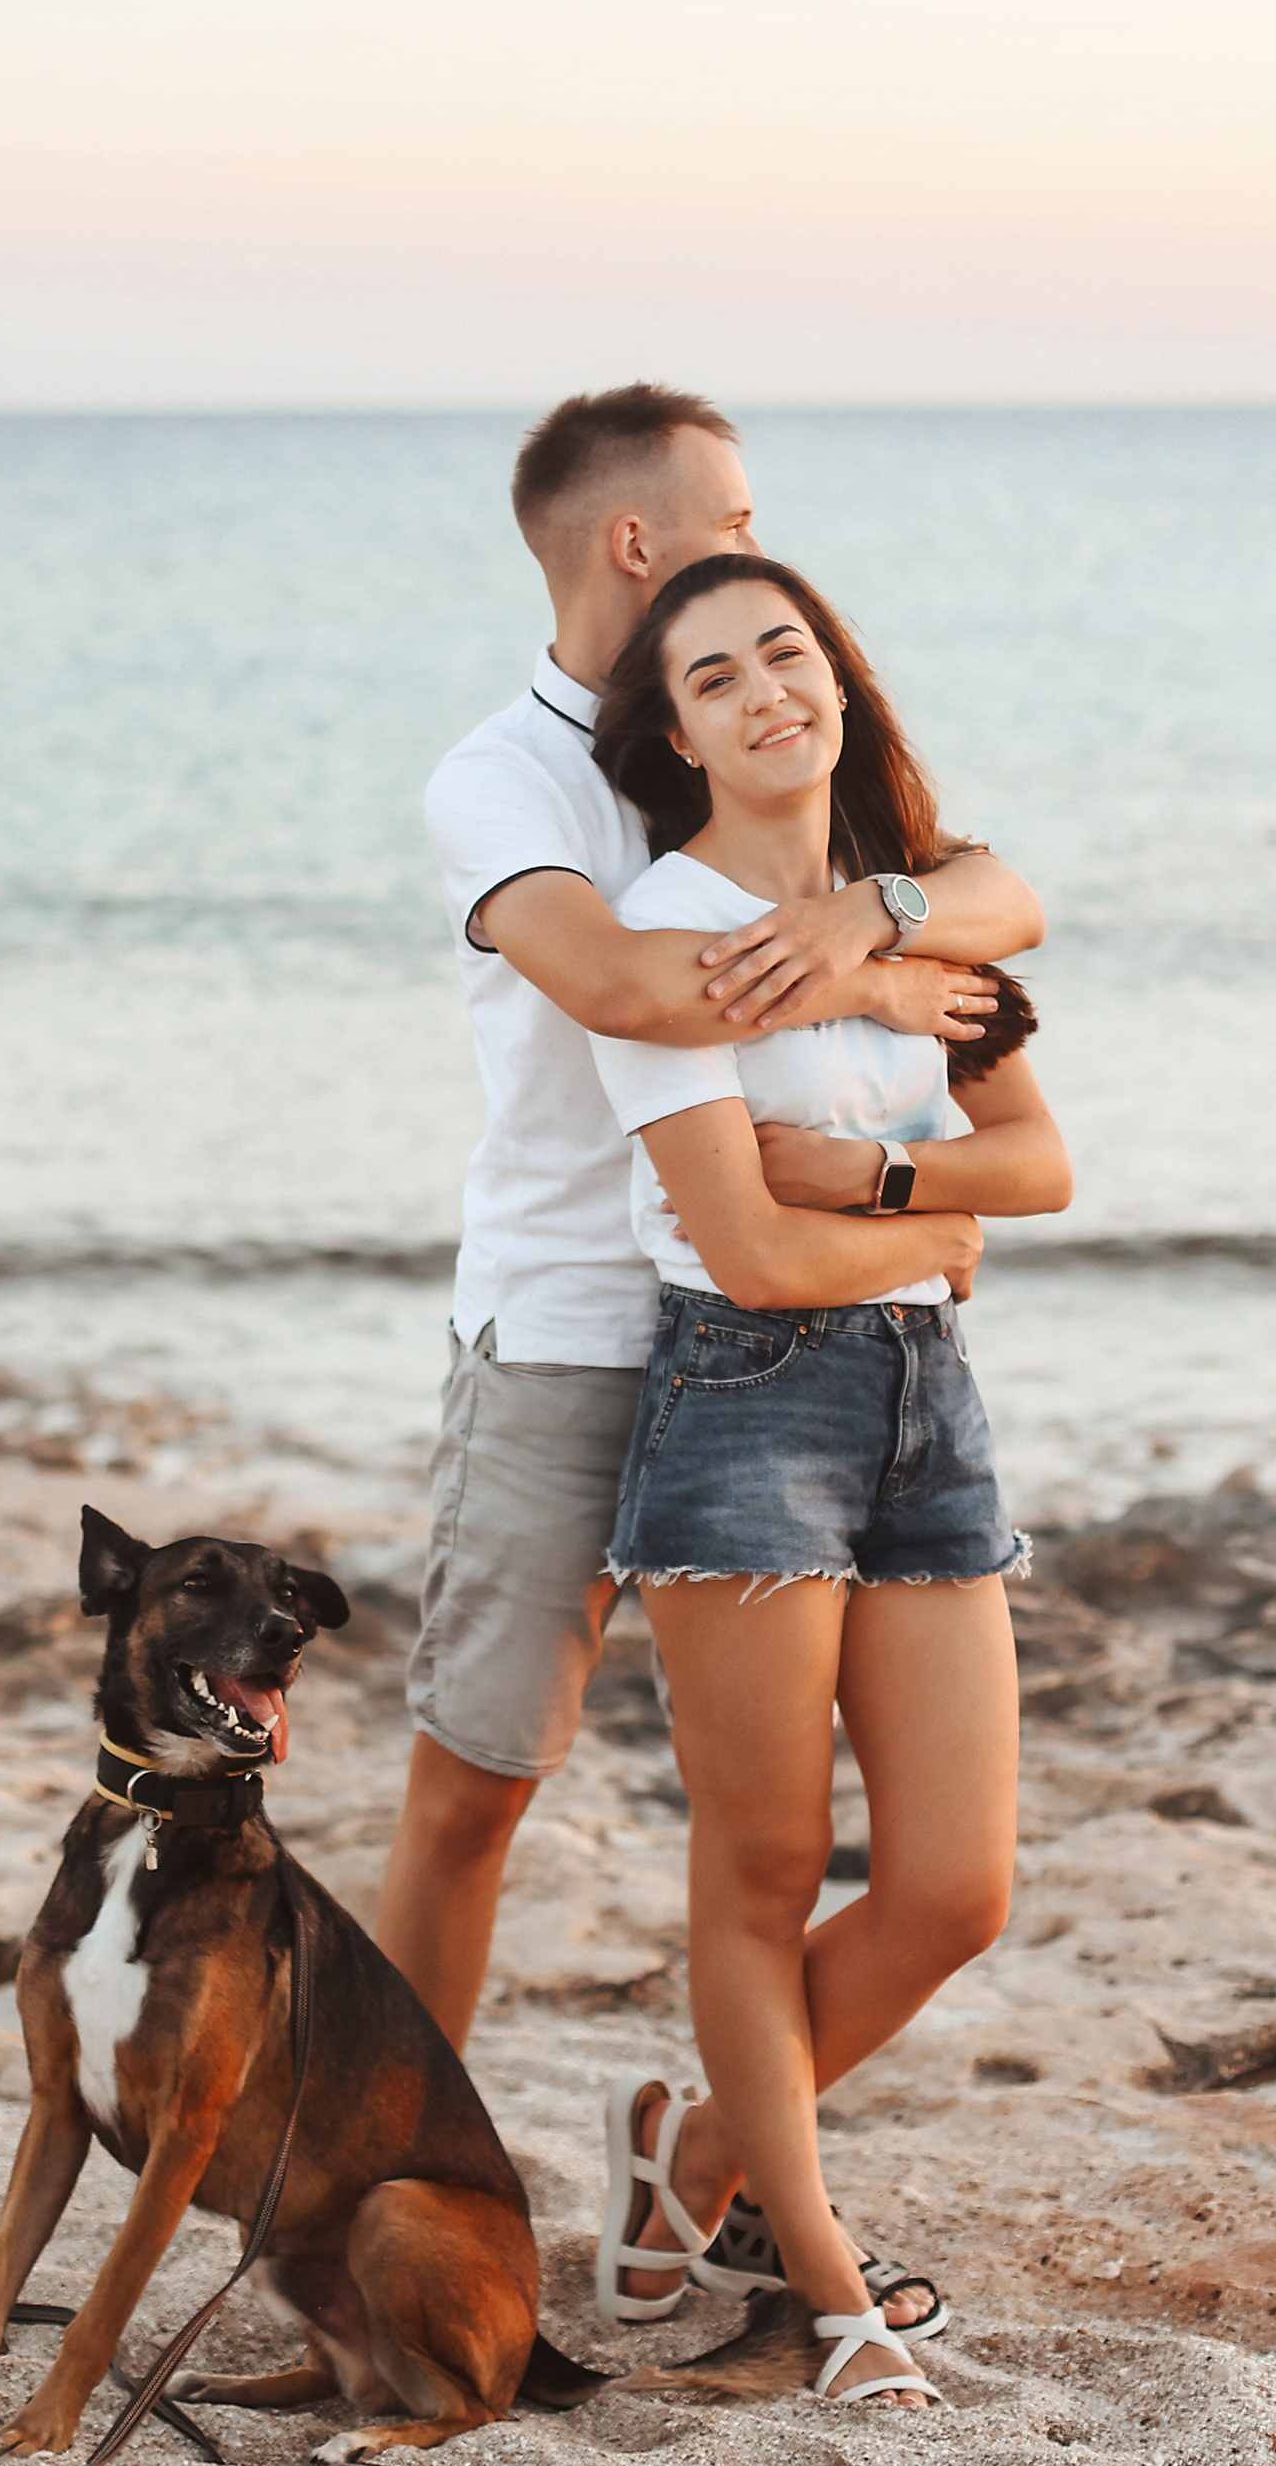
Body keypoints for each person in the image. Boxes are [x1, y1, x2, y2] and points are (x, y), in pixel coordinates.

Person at [378, 385, 1045, 2050]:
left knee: (790, 1855)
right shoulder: (501, 780)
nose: (760, 547)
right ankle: (371, 2196)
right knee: (478, 1792)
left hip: (778, 1350)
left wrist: (875, 909)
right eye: (734, 521)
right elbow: (614, 980)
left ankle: (716, 2173)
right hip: (570, 1334)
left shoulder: (758, 734)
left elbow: (1006, 897)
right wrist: (867, 964)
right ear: (636, 540)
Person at [581, 552, 1072, 2411]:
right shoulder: (670, 942)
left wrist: (873, 1187)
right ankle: (829, 2282)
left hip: (928, 1413)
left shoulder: (925, 921)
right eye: (715, 677)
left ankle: (699, 2156)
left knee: (957, 1887)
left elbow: (1037, 1169)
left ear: (840, 683)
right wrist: (926, 1238)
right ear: (679, 733)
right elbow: (748, 1254)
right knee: (767, 1866)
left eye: (785, 652)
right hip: (742, 1406)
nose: (764, 690)